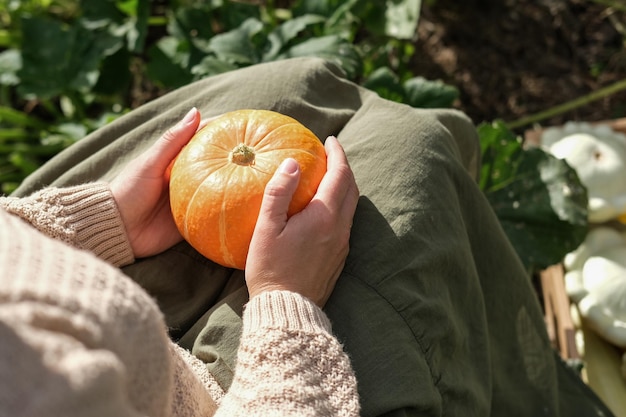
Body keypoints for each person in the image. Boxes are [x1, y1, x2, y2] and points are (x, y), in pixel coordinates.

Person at [1, 57, 616, 416]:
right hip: (239, 395)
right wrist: (285, 303)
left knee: (305, 83)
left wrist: (94, 221)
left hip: (82, 280)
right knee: (412, 171)